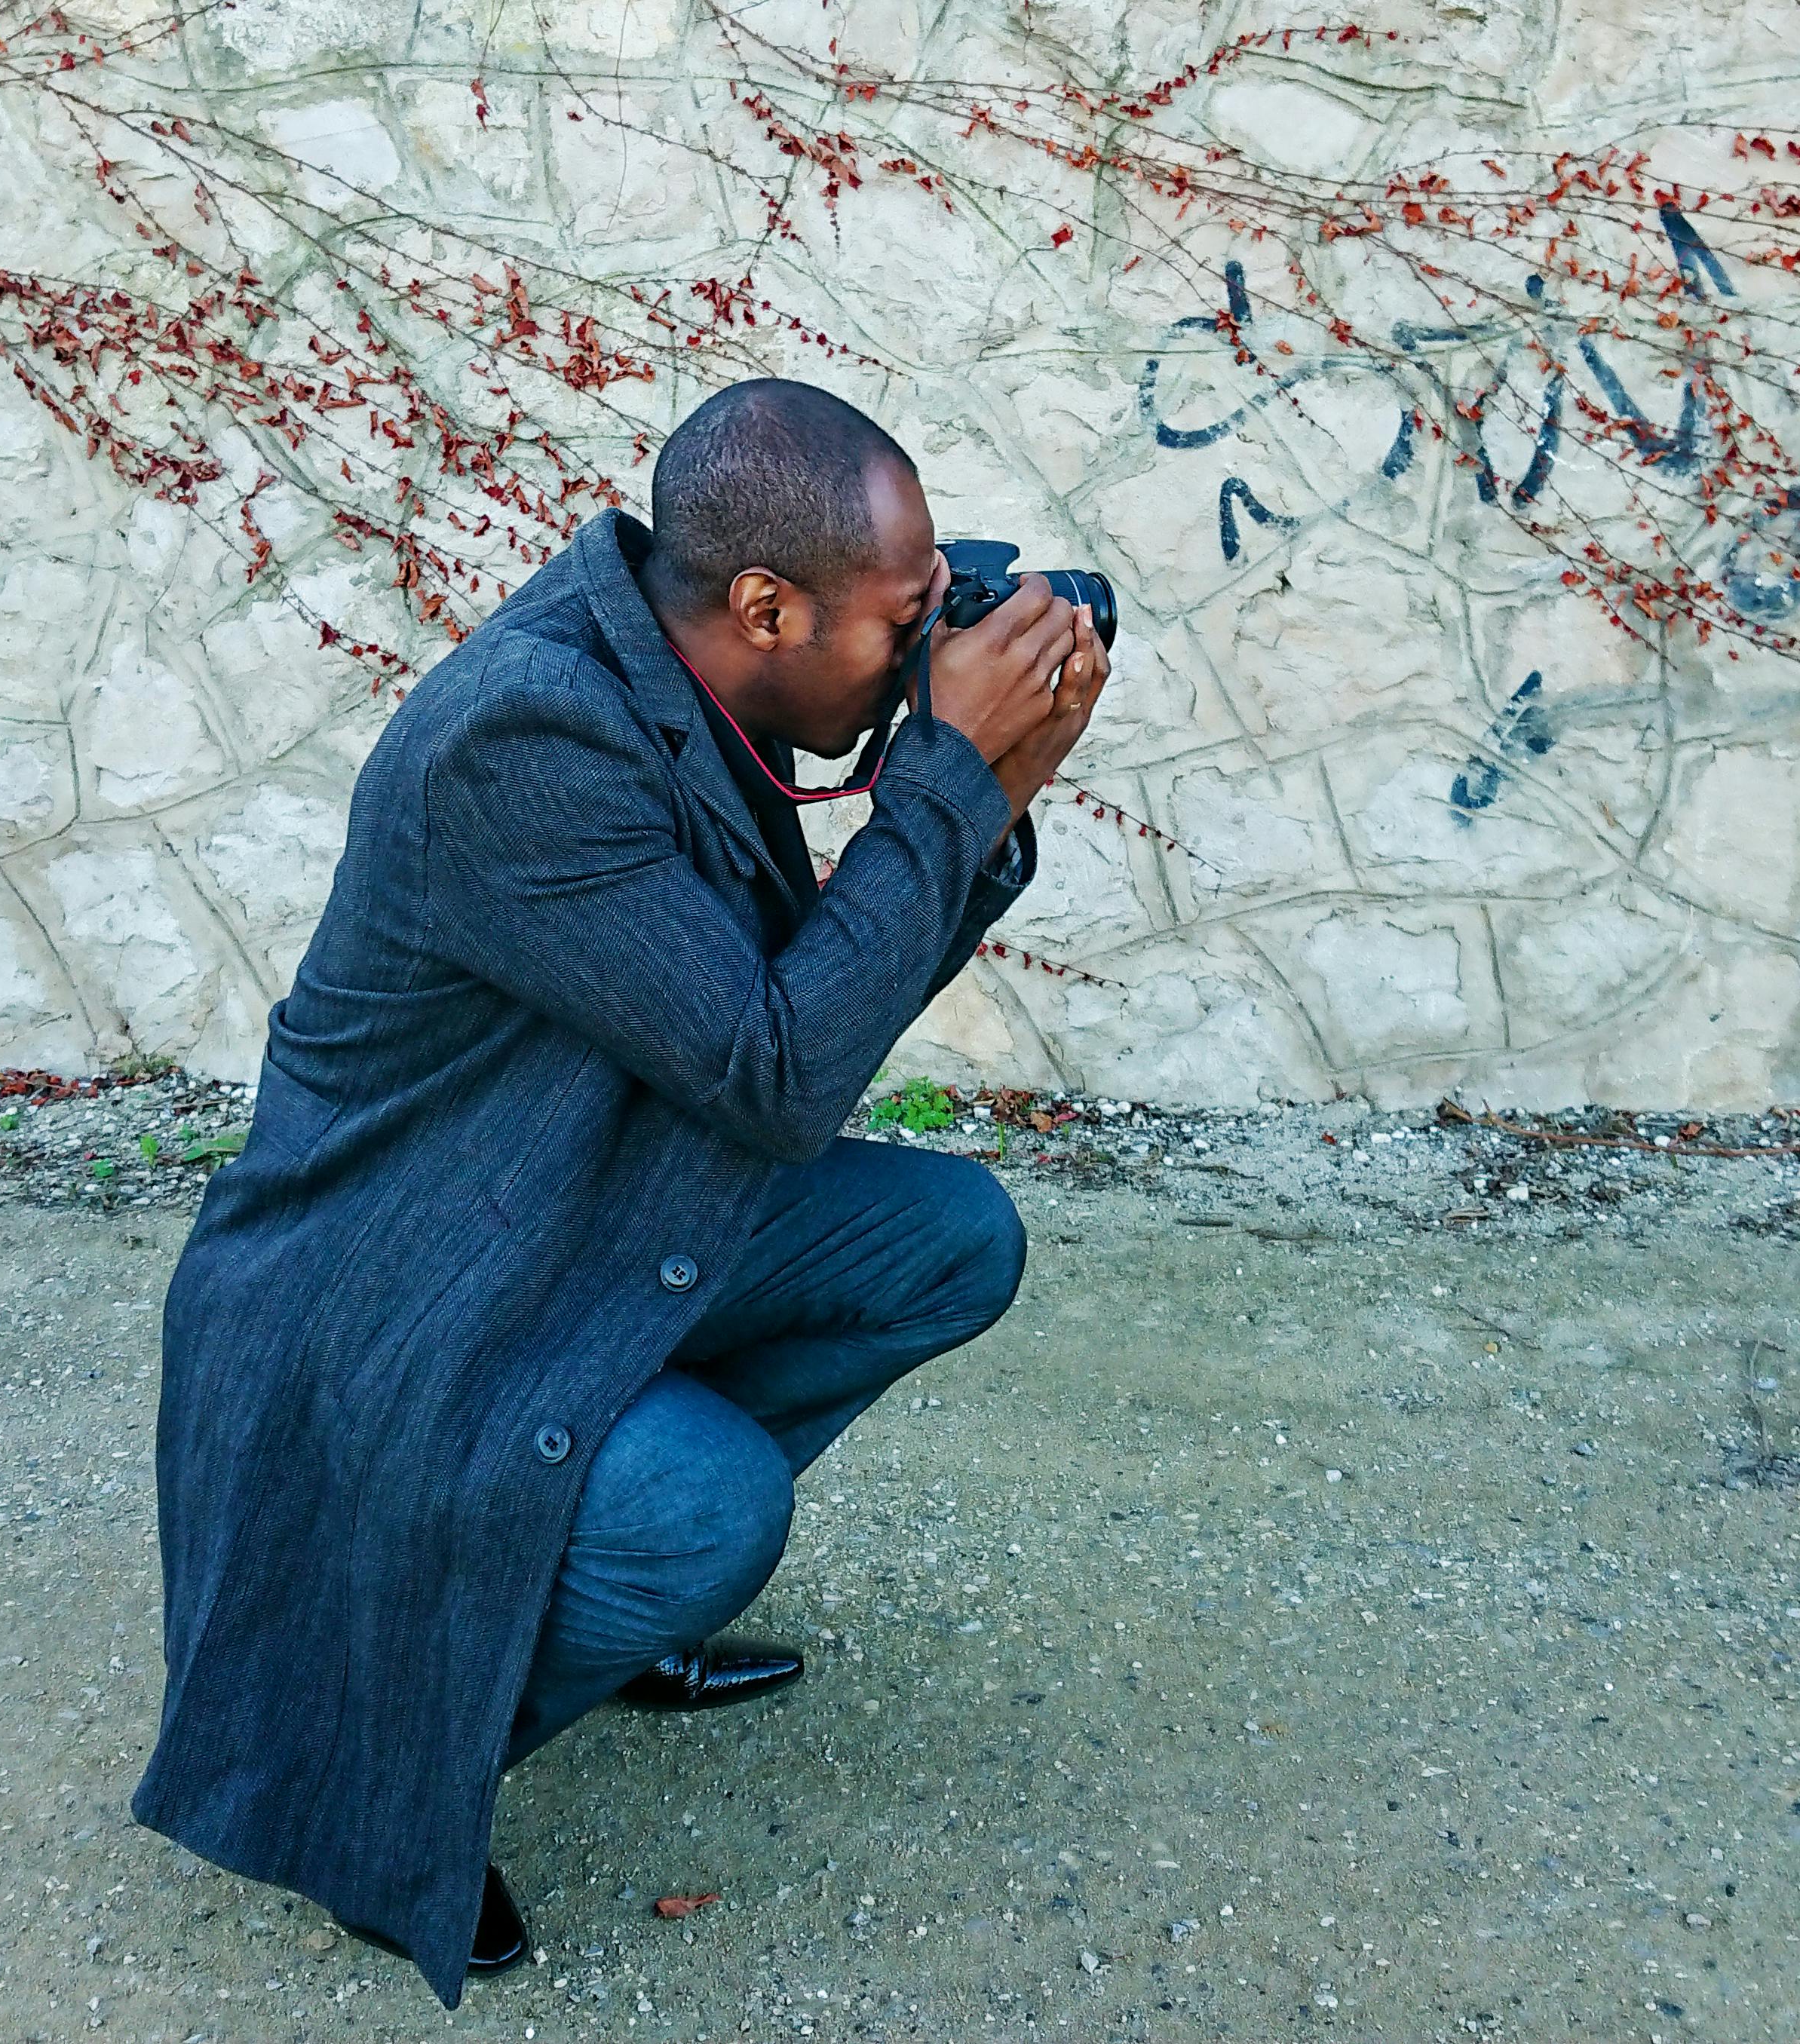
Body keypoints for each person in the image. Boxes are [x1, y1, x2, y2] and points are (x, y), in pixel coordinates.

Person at [130, 379, 1109, 2004]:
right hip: (394, 1283)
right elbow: (778, 1073)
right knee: (705, 1507)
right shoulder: (524, 739)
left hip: (579, 1201)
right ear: (764, 605)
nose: (929, 641)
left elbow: (796, 1022)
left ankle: (565, 1590)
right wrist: (942, 779)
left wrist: (982, 795)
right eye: (901, 617)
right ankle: (391, 1772)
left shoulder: (691, 677)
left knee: (947, 1243)